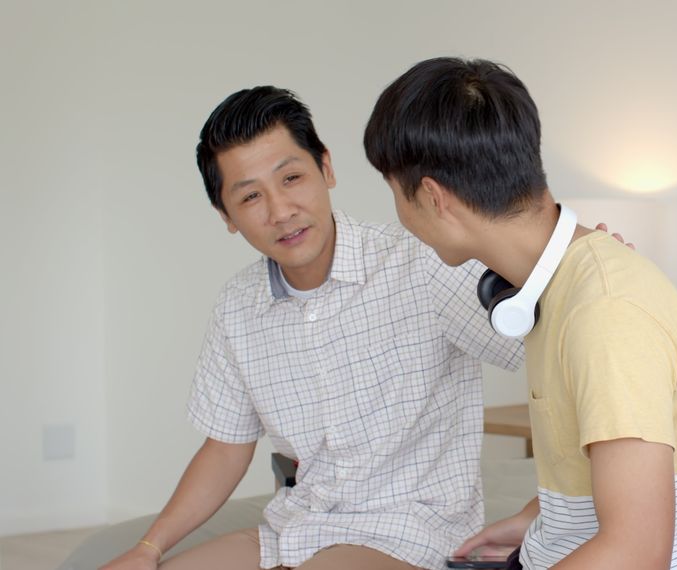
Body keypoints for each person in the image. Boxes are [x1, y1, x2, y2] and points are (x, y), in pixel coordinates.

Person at [101, 86, 530, 570]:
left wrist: (582, 270)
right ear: (226, 216)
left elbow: (552, 343)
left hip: (409, 532)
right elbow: (225, 448)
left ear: (326, 168)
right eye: (250, 197)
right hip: (297, 526)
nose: (280, 211)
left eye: (292, 178)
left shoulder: (421, 263)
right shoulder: (238, 307)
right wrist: (148, 548)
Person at [364, 57, 677, 569]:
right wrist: (538, 518)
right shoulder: (559, 285)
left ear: (433, 198)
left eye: (395, 192)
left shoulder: (606, 314)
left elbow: (635, 553)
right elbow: (615, 471)